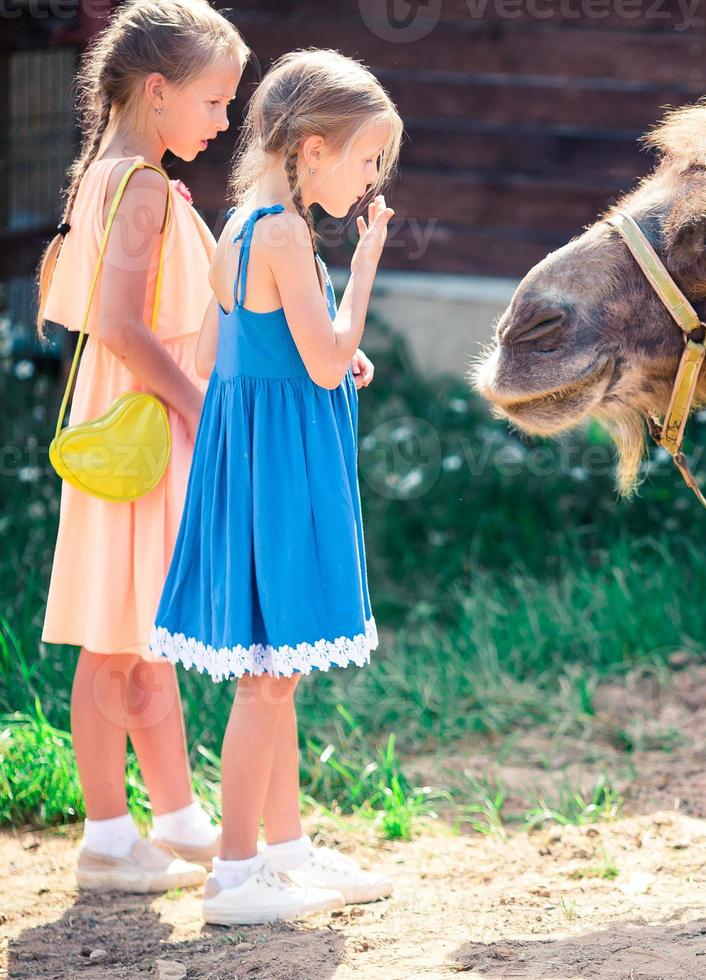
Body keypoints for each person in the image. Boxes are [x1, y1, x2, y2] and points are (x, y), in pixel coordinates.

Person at [149, 48, 403, 926]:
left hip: (256, 464)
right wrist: (366, 264)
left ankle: (285, 851)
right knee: (269, 678)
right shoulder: (289, 234)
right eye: (368, 159)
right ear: (312, 147)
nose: (373, 182)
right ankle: (234, 872)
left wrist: (330, 357)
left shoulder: (243, 225)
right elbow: (325, 360)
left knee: (279, 666)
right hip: (284, 474)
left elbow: (245, 356)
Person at [35, 0, 247, 894]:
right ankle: (108, 838)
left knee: (143, 631)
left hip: (137, 419)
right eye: (212, 101)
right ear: (157, 91)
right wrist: (199, 405)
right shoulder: (142, 184)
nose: (225, 121)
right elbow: (121, 325)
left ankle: (176, 818)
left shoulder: (118, 174)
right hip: (149, 425)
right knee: (114, 643)